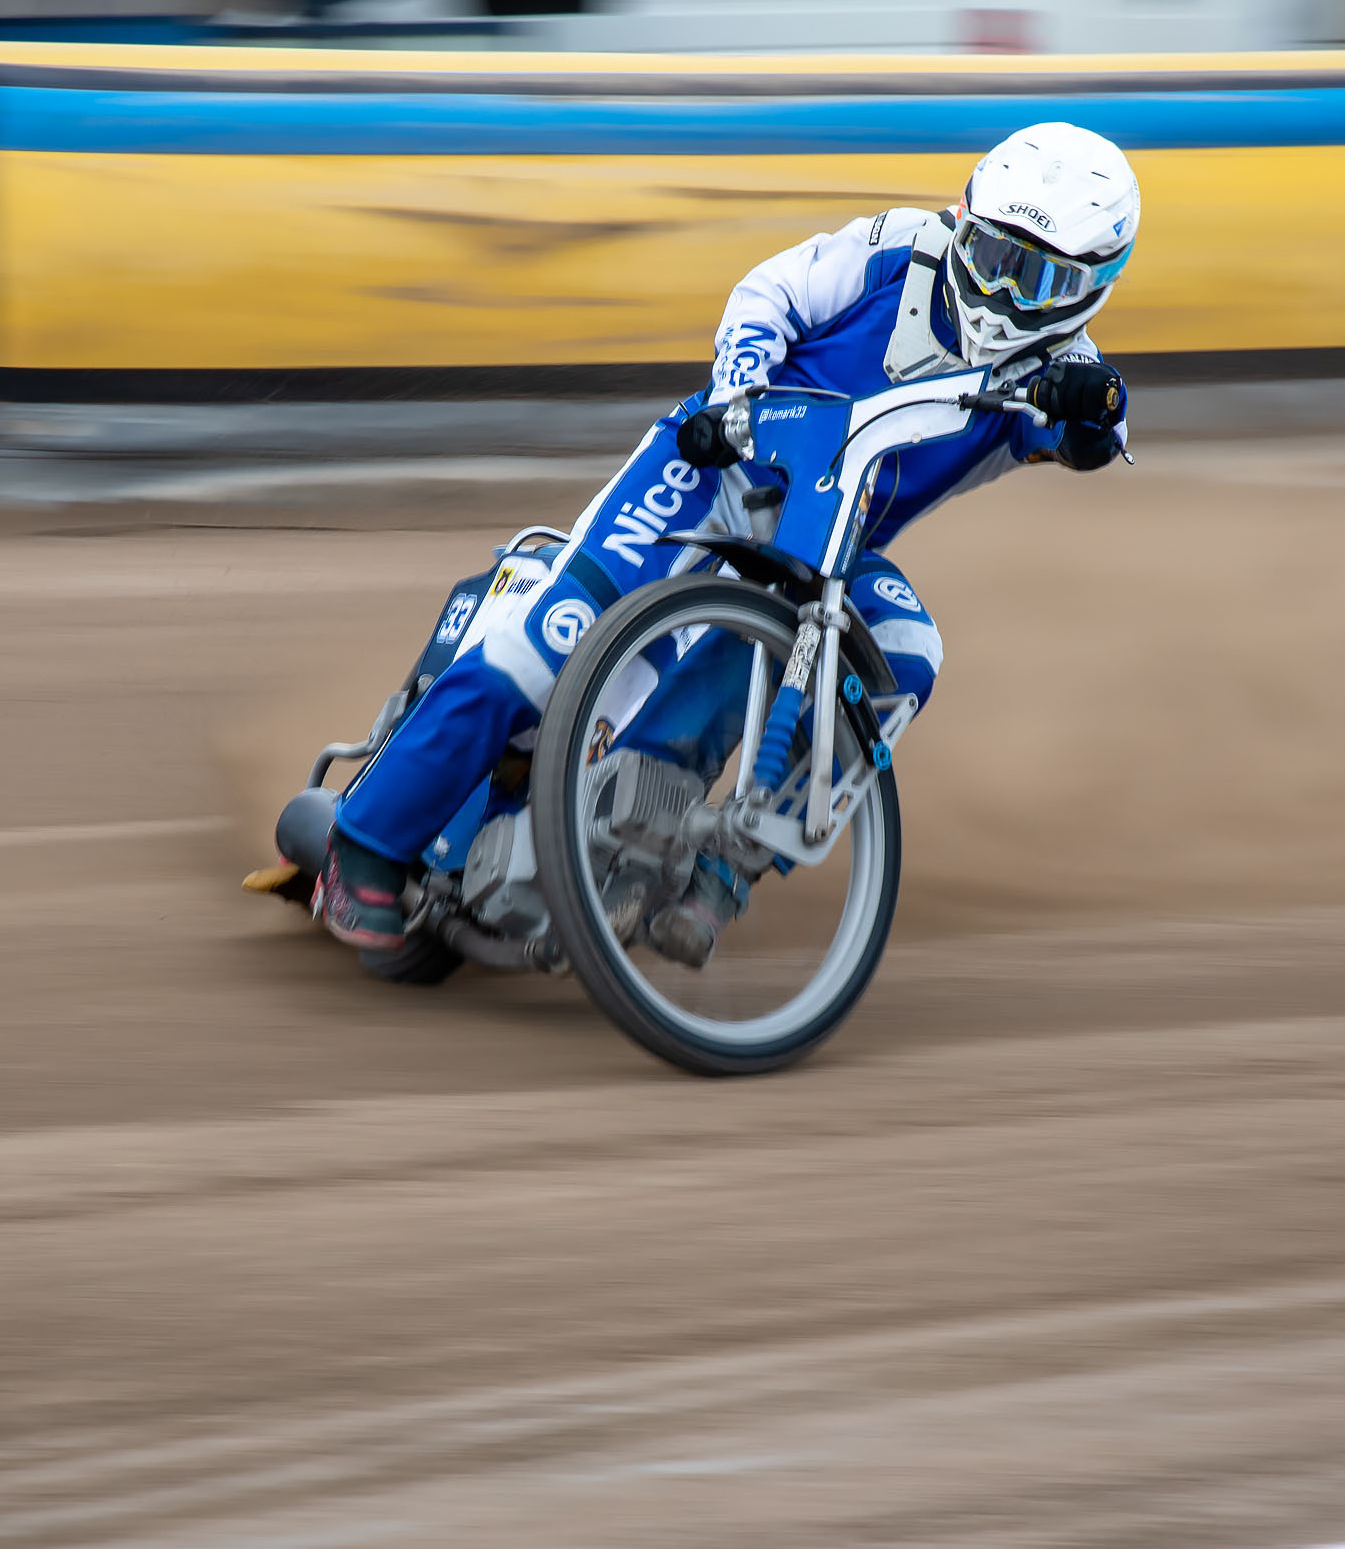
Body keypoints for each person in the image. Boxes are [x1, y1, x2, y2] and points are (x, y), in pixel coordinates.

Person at [321, 120, 1141, 954]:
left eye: (1034, 279)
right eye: (990, 254)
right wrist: (739, 396)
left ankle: (719, 861)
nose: (999, 293)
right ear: (960, 220)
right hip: (711, 470)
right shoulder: (899, 247)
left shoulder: (1061, 376)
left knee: (907, 649)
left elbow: (1092, 439)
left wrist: (1095, 407)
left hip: (818, 550)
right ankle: (362, 848)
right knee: (548, 646)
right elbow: (769, 292)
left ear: (1088, 289)